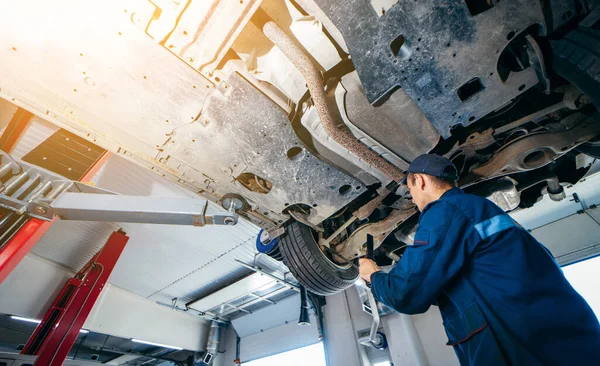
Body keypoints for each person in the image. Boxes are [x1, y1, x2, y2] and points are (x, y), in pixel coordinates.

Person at [358, 154, 600, 366]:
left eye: (410, 190)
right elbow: (450, 283)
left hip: (521, 346)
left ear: (420, 181)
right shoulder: (479, 209)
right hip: (561, 340)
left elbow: (406, 293)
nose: (411, 199)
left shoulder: (446, 211)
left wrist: (373, 276)